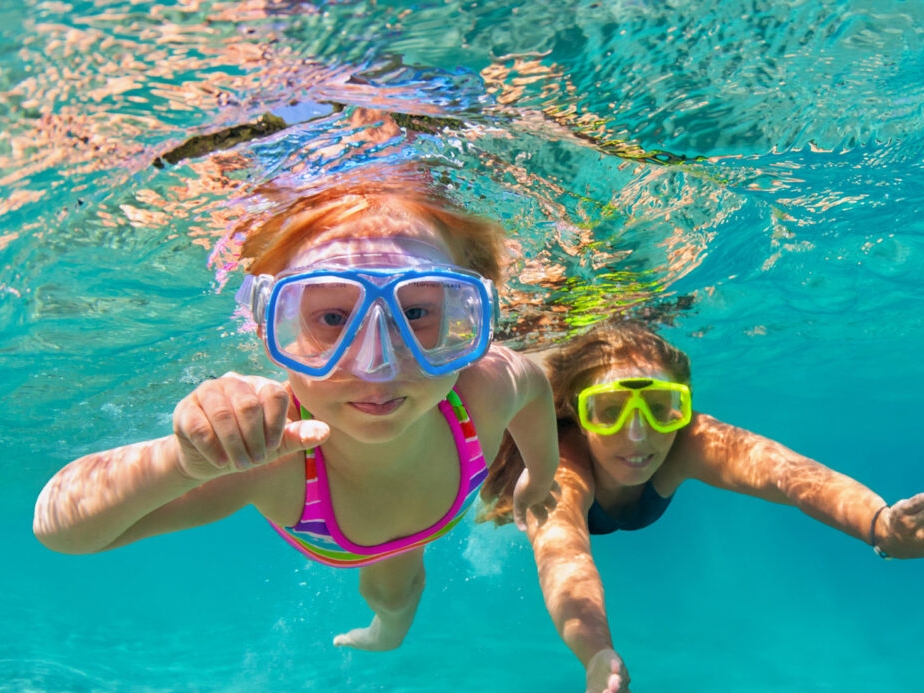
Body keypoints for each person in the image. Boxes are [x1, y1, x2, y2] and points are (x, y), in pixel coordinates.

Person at [35, 178, 560, 652]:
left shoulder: (484, 386)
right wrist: (183, 461)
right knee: (390, 588)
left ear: (466, 315)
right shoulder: (269, 450)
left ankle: (388, 631)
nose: (376, 364)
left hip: (421, 529)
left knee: (399, 589)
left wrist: (538, 475)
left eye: (417, 313)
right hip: (335, 532)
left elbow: (536, 392)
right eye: (332, 318)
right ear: (272, 327)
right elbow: (60, 529)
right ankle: (386, 630)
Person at [481, 322, 924, 693]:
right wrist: (594, 656)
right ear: (578, 414)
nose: (638, 435)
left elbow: (790, 476)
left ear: (684, 408)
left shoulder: (690, 442)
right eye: (609, 411)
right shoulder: (559, 467)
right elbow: (565, 557)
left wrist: (882, 527)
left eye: (661, 407)